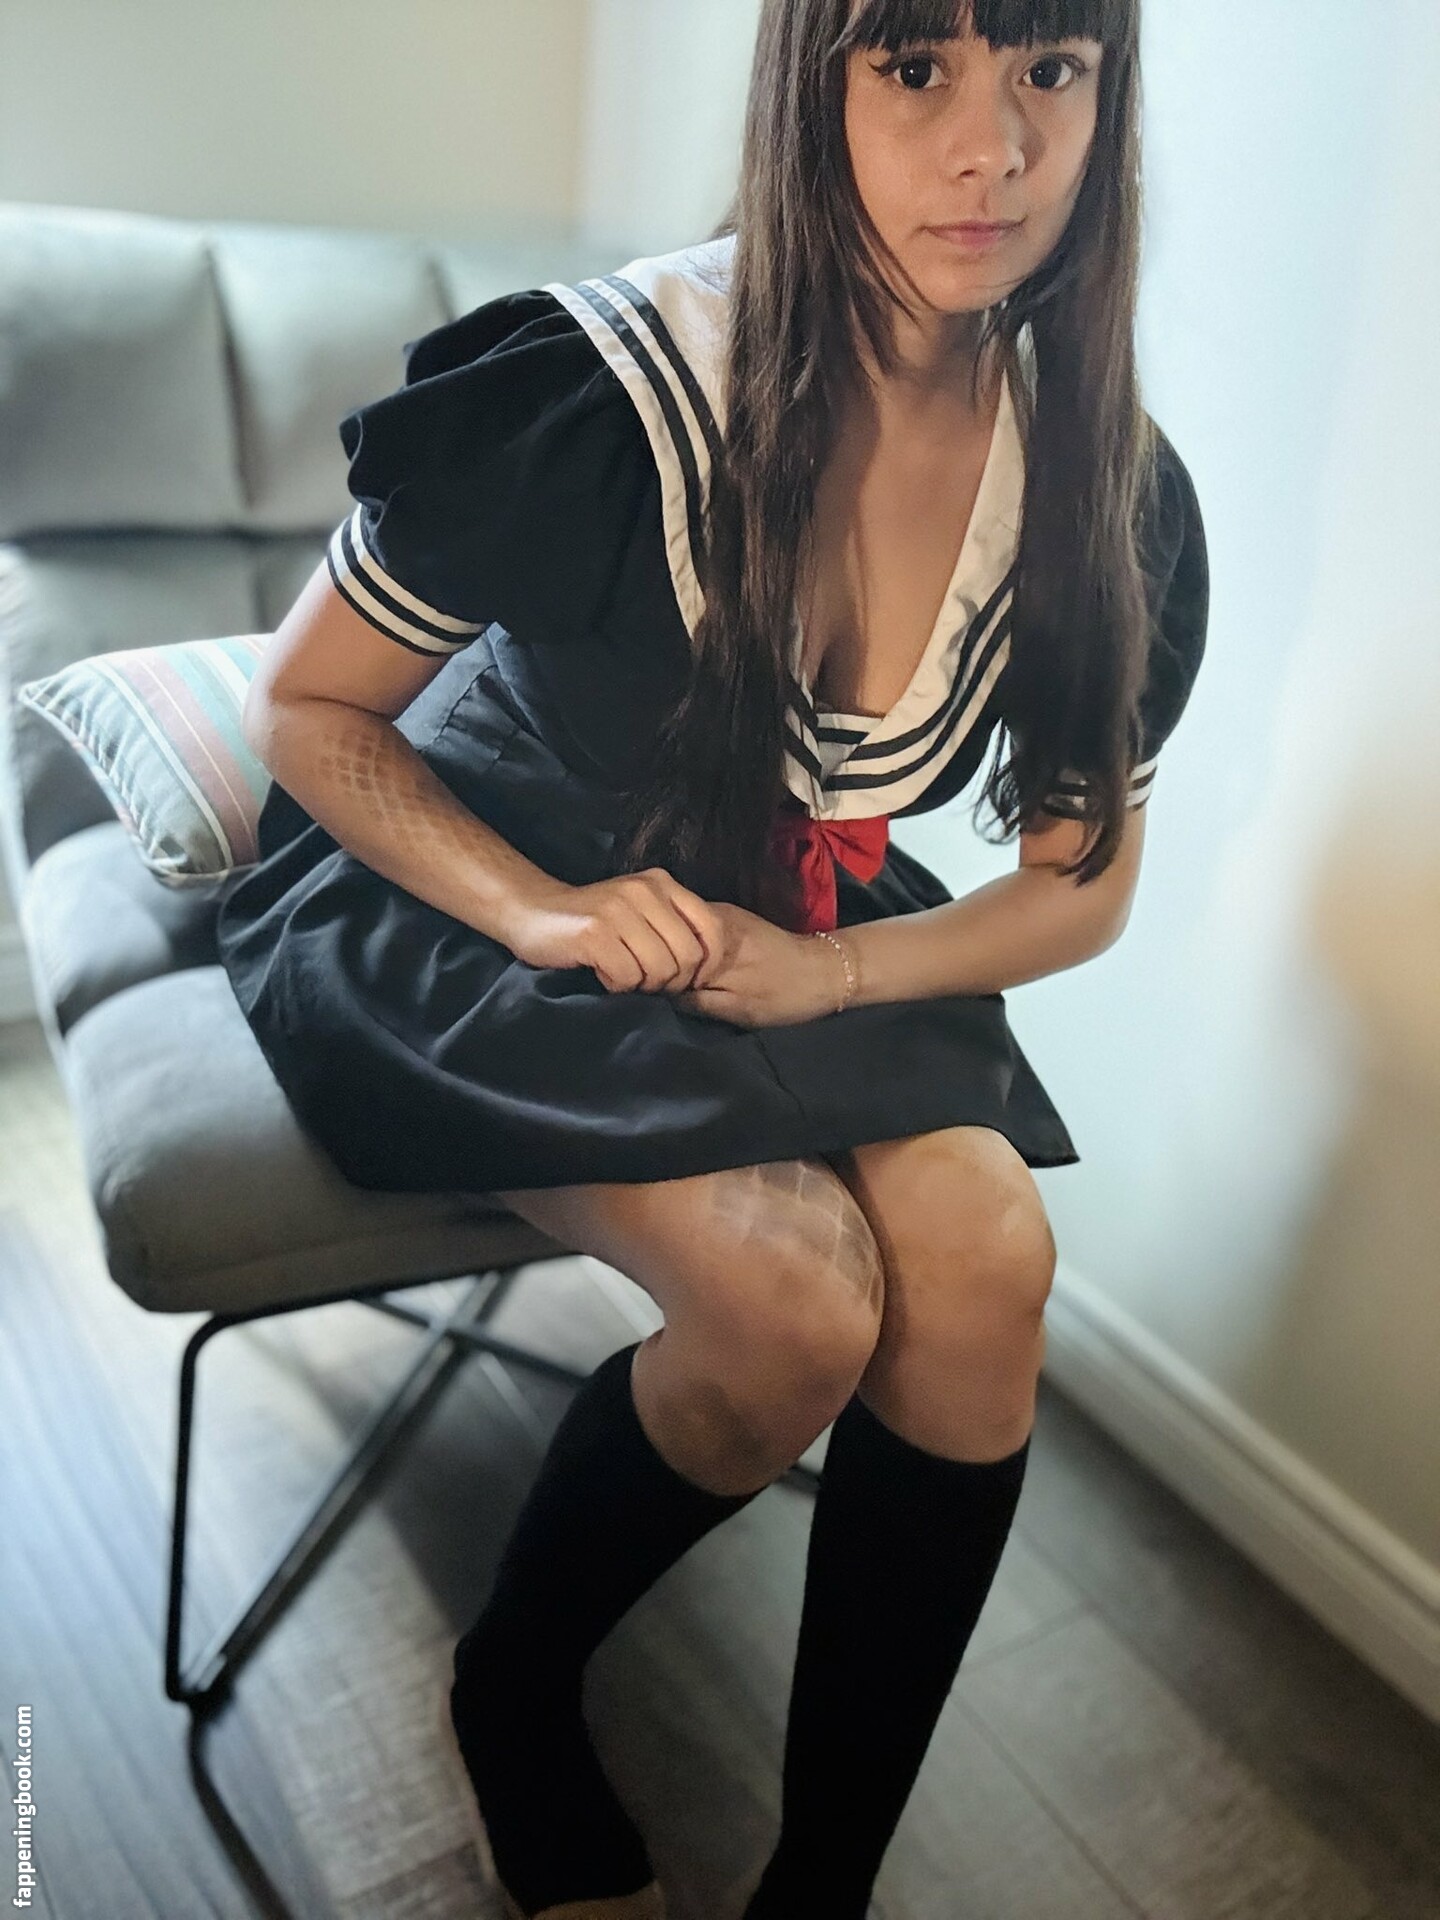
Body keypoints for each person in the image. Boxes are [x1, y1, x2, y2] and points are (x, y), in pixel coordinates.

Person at [216, 0, 1210, 1913]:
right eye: (913, 67)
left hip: (782, 917)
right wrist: (540, 910)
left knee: (989, 1251)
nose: (993, 148)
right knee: (791, 1300)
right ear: (811, 82)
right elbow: (305, 711)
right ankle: (515, 1688)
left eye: (1051, 69)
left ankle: (821, 1884)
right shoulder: (605, 391)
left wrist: (827, 976)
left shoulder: (1107, 490)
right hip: (484, 885)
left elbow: (1082, 885)